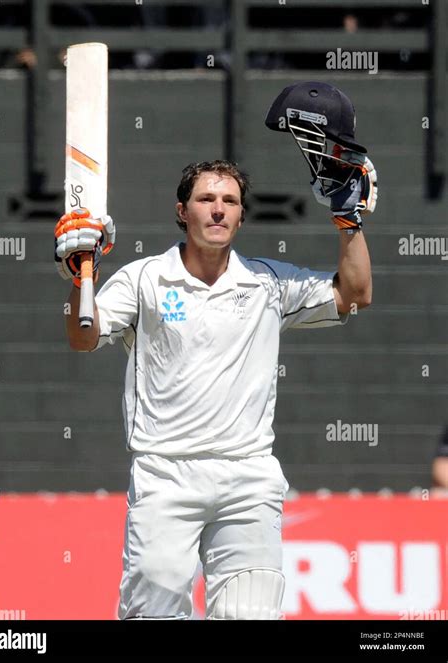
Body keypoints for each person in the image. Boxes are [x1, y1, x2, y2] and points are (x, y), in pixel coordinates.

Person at [54, 111, 376, 619]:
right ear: (182, 211)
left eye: (230, 202)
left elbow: (354, 295)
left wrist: (348, 221)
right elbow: (81, 337)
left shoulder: (269, 283)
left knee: (249, 614)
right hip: (164, 475)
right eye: (206, 199)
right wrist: (80, 282)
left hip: (247, 477)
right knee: (152, 615)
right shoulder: (143, 280)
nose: (219, 210)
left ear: (242, 216)